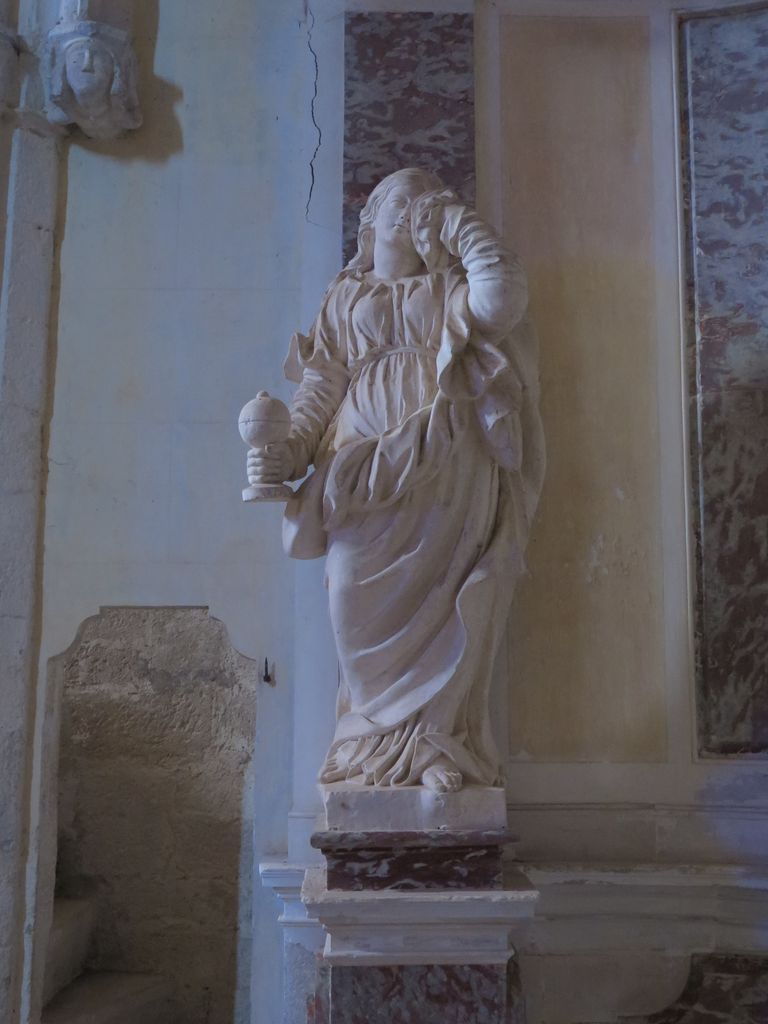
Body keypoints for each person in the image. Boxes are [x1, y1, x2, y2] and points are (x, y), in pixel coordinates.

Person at [248, 167, 545, 793]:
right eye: (401, 202)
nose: (413, 213)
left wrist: (458, 224)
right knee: (350, 591)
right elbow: (320, 386)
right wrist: (293, 449)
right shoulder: (344, 296)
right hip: (360, 467)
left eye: (426, 206)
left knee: (445, 597)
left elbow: (504, 300)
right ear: (372, 215)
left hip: (447, 455)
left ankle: (434, 745)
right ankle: (366, 750)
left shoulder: (451, 288)